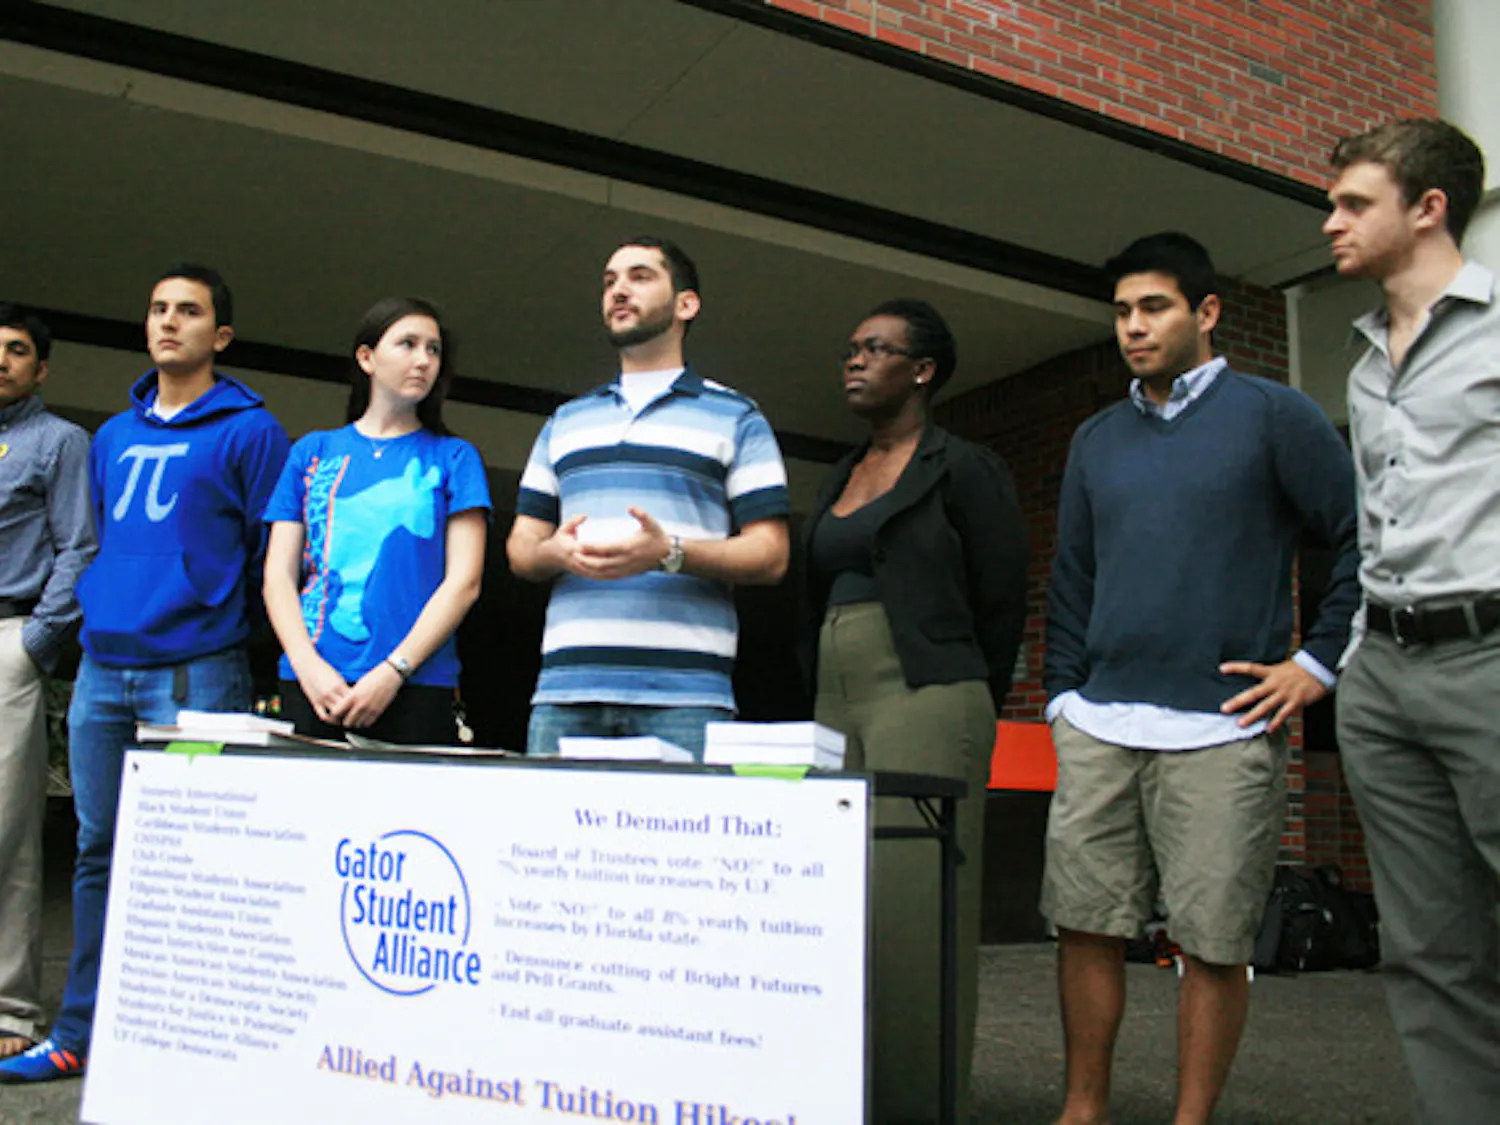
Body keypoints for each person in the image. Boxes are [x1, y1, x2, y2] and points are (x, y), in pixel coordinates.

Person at [1042, 232, 1360, 1125]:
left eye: (1155, 307)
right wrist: (1064, 694)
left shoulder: (1273, 416)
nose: (1134, 328)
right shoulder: (1097, 438)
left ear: (1206, 312)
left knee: (1215, 940)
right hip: (1101, 722)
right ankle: (1082, 1108)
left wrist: (1315, 663)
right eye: (1122, 312)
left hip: (1223, 727)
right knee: (1085, 923)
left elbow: (1358, 536)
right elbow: (1072, 576)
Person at [0, 264, 290, 1084]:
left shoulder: (251, 430)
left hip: (197, 674)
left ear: (219, 336)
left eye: (189, 311)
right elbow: (91, 542)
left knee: (195, 856)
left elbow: (274, 557)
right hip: (103, 673)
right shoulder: (114, 436)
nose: (170, 322)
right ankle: (80, 1033)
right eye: (159, 307)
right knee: (96, 852)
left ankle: (190, 1047)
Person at [801, 298, 1028, 1123]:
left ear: (922, 369)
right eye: (852, 346)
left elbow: (1002, 598)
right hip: (835, 689)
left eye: (876, 348)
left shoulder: (963, 467)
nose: (854, 359)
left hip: (926, 686)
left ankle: (923, 1103)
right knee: (842, 904)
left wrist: (967, 697)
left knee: (918, 912)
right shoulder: (839, 471)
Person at [1324, 118, 1500, 1124]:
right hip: (1385, 678)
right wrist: (1354, 659)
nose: (1331, 221)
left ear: (1427, 208)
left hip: (1490, 657)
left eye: (1355, 203)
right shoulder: (1361, 363)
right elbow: (1371, 526)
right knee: (1430, 949)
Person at [507, 236, 790, 760]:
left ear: (686, 303)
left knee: (686, 845)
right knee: (548, 844)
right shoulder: (565, 421)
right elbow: (522, 547)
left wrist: (668, 552)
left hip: (686, 698)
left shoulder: (738, 417)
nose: (618, 290)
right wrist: (553, 552)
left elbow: (771, 556)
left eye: (639, 277)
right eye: (610, 281)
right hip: (567, 690)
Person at [263, 297, 490, 745]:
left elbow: (464, 581)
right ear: (366, 358)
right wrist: (307, 666)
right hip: (313, 680)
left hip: (417, 682)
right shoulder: (313, 452)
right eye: (407, 344)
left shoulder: (454, 457)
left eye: (434, 349)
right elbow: (277, 575)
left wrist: (394, 670)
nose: (423, 360)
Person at [0, 305, 96, 1063]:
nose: (1, 359)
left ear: (40, 368)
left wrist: (33, 644)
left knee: (7, 833)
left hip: (9, 637)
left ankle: (10, 1007)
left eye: (16, 350)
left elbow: (78, 546)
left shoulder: (60, 442)